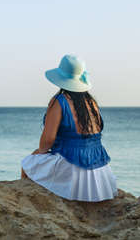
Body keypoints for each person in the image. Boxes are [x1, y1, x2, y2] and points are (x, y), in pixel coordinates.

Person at [21, 54, 118, 202]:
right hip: (99, 169)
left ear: (61, 78)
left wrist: (39, 153)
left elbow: (47, 141)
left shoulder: (60, 101)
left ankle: (25, 199)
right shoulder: (91, 102)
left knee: (28, 163)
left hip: (73, 167)